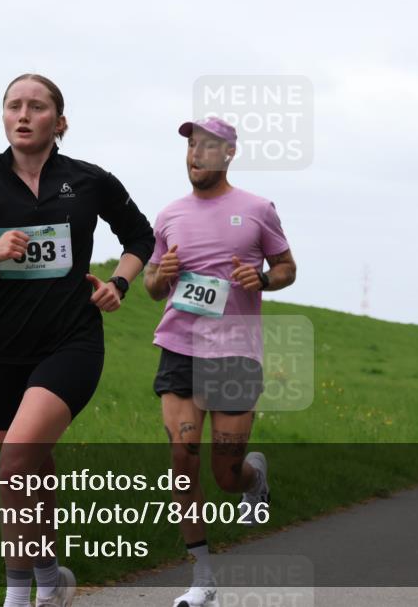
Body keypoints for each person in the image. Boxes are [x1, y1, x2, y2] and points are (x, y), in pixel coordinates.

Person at [0, 74, 155, 607]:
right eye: (13, 106)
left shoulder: (90, 181)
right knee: (30, 471)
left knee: (16, 460)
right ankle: (51, 579)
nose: (23, 114)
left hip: (71, 342)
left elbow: (141, 235)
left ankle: (17, 595)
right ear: (3, 117)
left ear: (59, 123)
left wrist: (119, 283)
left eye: (36, 107)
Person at [143, 116, 297, 607]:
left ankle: (254, 478)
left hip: (234, 352)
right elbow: (150, 283)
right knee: (182, 460)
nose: (195, 155)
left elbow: (287, 267)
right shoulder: (168, 215)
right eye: (190, 147)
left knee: (225, 473)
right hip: (180, 348)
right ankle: (202, 576)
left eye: (207, 148)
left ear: (228, 154)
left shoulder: (257, 209)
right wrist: (160, 274)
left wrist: (264, 281)